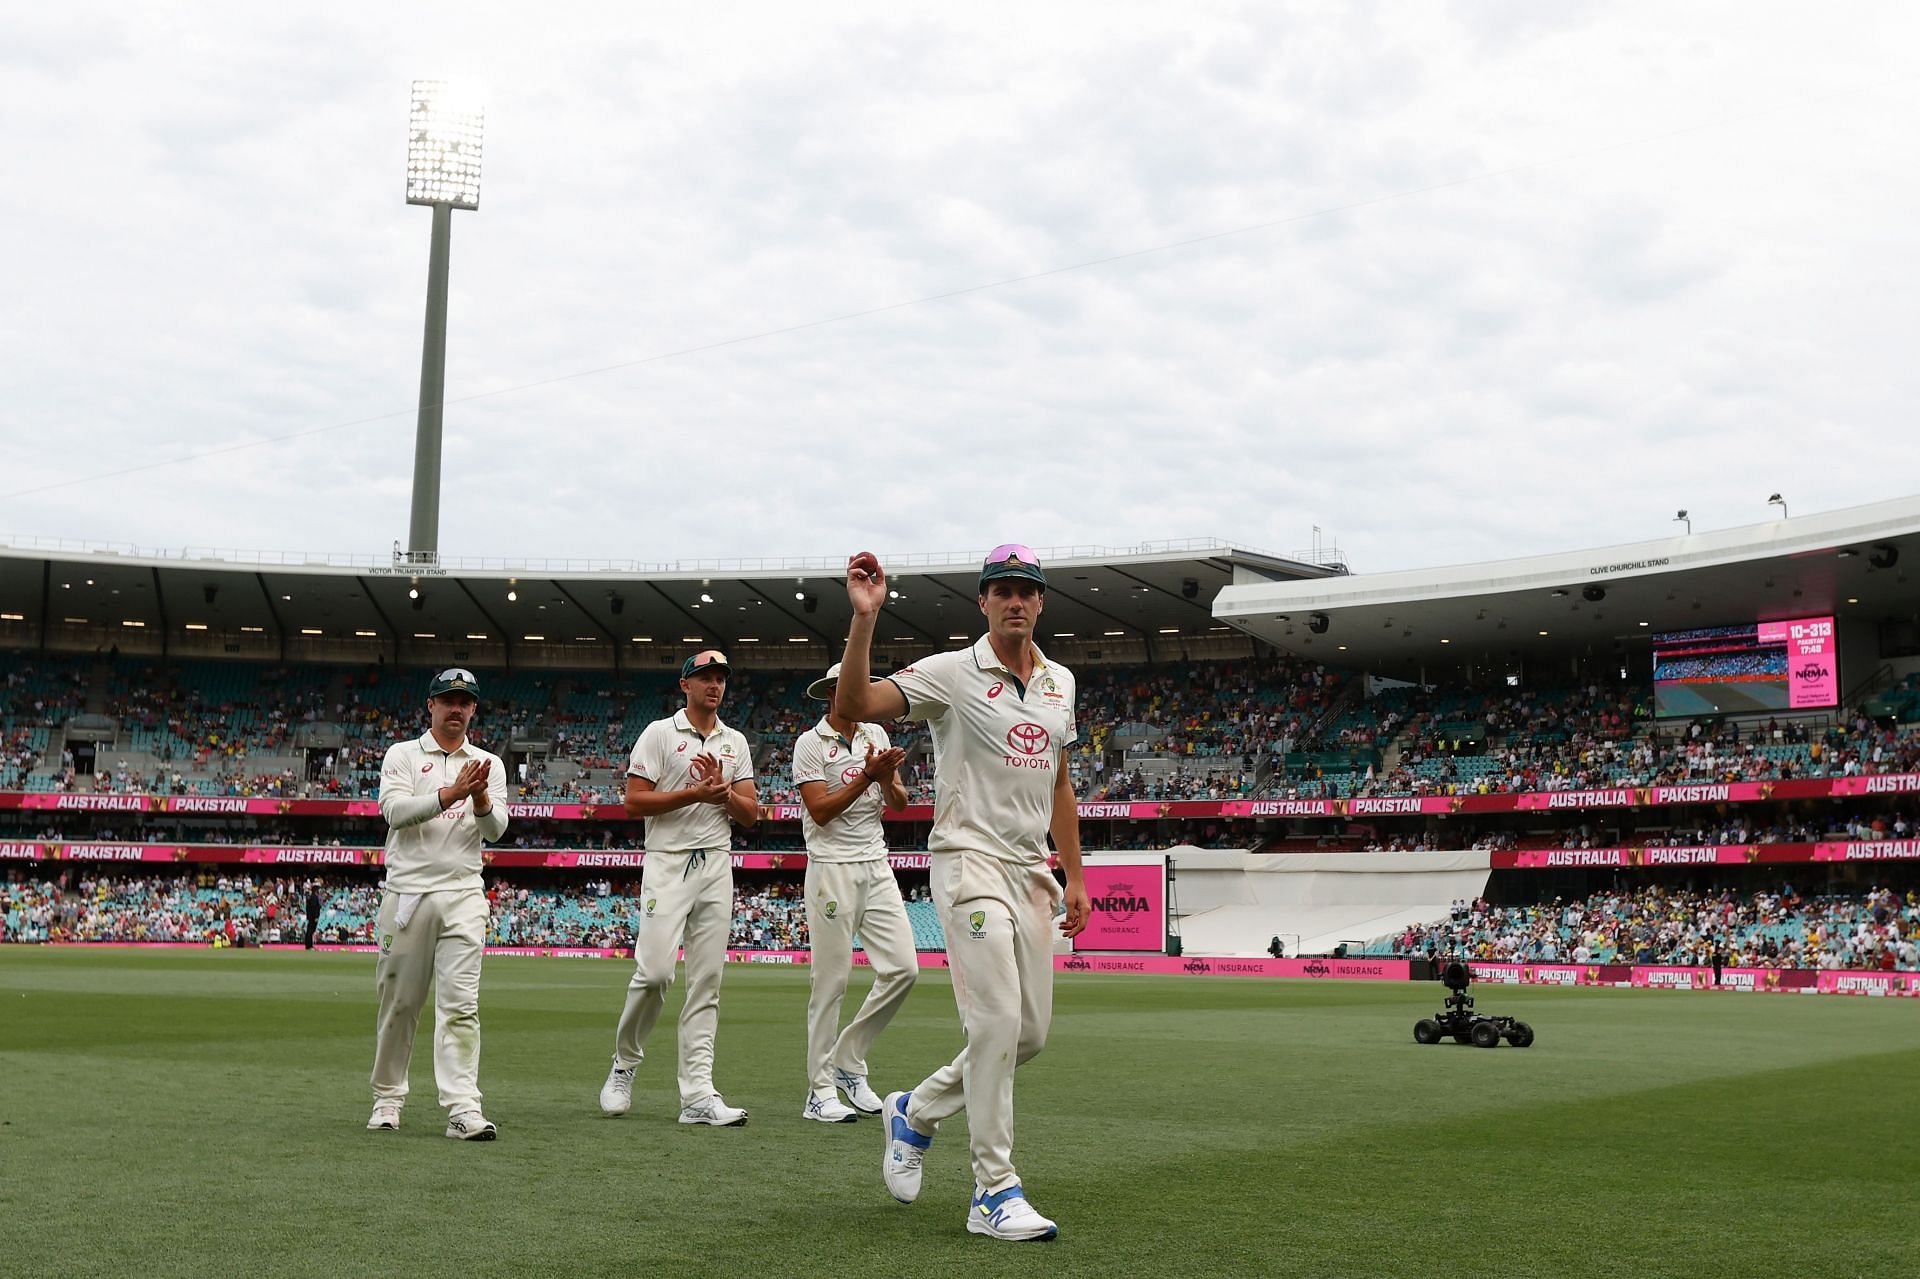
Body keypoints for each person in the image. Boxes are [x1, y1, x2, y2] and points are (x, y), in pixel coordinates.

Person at [836, 544, 1090, 1243]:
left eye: (1027, 590)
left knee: (1028, 1034)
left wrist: (1075, 874)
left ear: (1041, 602)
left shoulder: (1061, 682)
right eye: (1001, 589)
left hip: (1030, 871)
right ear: (982, 601)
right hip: (968, 862)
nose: (1015, 600)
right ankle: (992, 1190)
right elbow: (854, 703)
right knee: (997, 1022)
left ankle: (915, 1109)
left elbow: (1060, 784)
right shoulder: (953, 673)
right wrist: (865, 619)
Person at [598, 649, 758, 1126]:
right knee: (655, 974)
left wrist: (724, 792)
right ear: (684, 685)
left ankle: (697, 1096)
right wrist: (695, 793)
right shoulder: (659, 733)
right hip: (667, 864)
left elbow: (751, 815)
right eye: (705, 677)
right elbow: (632, 802)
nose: (715, 685)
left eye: (721, 678)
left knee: (707, 983)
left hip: (716, 863)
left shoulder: (736, 742)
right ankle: (624, 1064)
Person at [368, 668, 509, 1140]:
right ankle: (388, 1098)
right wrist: (452, 793)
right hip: (408, 891)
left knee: (461, 1005)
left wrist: (481, 793)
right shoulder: (403, 755)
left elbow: (496, 832)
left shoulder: (488, 763)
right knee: (400, 1003)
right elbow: (395, 811)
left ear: (474, 709)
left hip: (464, 892)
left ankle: (462, 1107)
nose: (456, 708)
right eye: (448, 700)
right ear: (431, 705)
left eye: (464, 701)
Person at [793, 661, 917, 1124]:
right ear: (831, 693)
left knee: (904, 969)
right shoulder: (809, 744)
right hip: (831, 868)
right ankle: (819, 1090)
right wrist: (866, 777)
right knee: (832, 982)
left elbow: (900, 804)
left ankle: (848, 1060)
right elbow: (820, 812)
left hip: (876, 862)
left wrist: (885, 777)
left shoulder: (876, 736)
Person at [304, 882, 322, 950]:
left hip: (311, 917)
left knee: (310, 931)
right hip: (313, 917)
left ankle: (309, 945)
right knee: (310, 931)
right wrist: (316, 916)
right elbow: (314, 908)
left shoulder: (311, 897)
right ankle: (309, 946)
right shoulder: (314, 897)